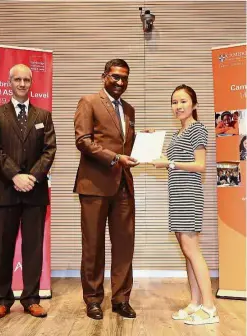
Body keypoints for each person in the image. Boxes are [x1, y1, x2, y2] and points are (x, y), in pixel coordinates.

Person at [0, 64, 57, 320]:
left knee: (33, 249)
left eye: (27, 79)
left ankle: (31, 299)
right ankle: (2, 299)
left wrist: (32, 178)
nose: (23, 84)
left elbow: (50, 150)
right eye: (18, 79)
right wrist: (16, 175)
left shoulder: (43, 115)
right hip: (5, 190)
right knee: (4, 248)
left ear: (32, 83)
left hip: (34, 192)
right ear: (9, 82)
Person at [74, 59, 139, 320]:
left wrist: (141, 141)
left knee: (124, 246)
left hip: (123, 185)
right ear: (104, 76)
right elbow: (83, 141)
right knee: (93, 246)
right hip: (94, 185)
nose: (120, 83)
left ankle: (121, 299)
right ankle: (93, 300)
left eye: (124, 78)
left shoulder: (129, 109)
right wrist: (115, 158)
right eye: (115, 77)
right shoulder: (88, 102)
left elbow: (125, 145)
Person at [152, 84, 219, 325]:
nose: (178, 106)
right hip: (177, 196)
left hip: (189, 195)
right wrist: (150, 141)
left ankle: (209, 308)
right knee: (187, 253)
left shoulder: (197, 128)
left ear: (194, 105)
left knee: (193, 251)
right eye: (174, 102)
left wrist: (170, 163)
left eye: (183, 101)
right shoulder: (178, 133)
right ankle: (195, 303)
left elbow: (199, 165)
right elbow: (171, 158)